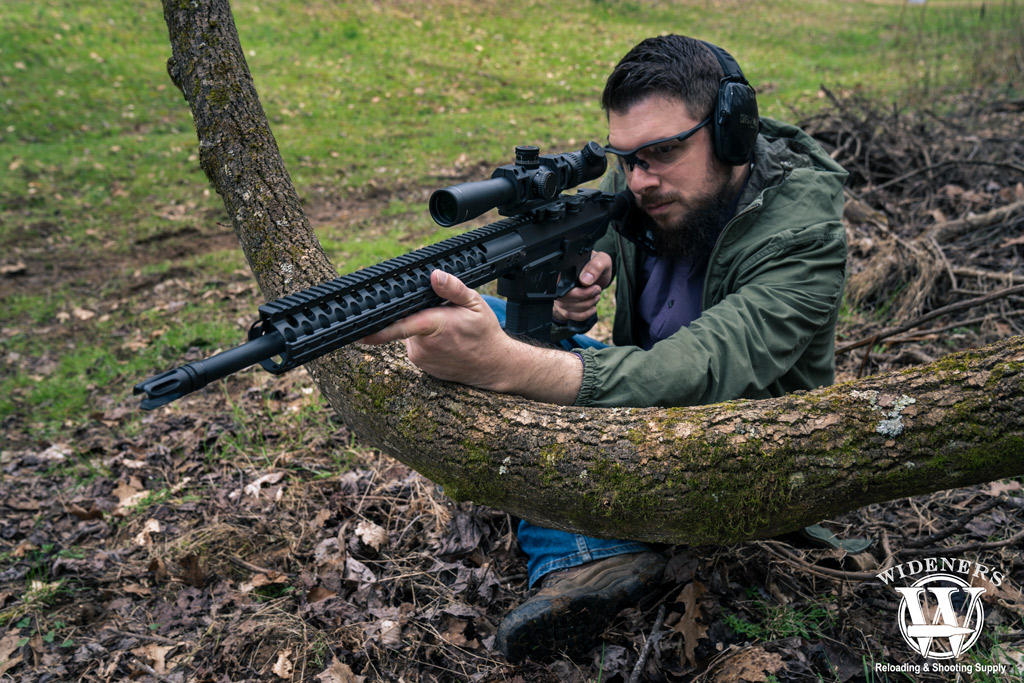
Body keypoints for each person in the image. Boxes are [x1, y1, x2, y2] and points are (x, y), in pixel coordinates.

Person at [361, 34, 848, 662]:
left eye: (664, 152)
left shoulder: (806, 238)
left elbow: (700, 369)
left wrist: (512, 366)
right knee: (476, 319)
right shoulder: (660, 194)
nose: (641, 181)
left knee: (507, 354)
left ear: (733, 131)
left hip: (744, 454)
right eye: (626, 158)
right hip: (649, 425)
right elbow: (603, 256)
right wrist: (572, 283)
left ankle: (590, 557)